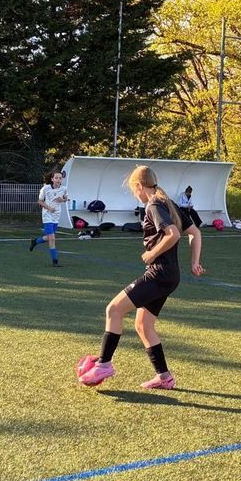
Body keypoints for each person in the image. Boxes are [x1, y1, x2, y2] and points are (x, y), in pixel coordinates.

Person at [77, 165, 193, 390]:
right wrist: (195, 261)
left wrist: (151, 253)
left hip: (159, 274)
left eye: (134, 190)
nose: (135, 195)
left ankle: (104, 364)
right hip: (169, 275)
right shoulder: (168, 202)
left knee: (114, 310)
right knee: (143, 325)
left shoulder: (154, 205)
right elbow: (195, 232)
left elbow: (174, 234)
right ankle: (164, 377)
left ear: (139, 186)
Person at [29, 171, 67, 267]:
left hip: (56, 216)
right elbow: (40, 201)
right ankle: (55, 261)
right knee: (52, 238)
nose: (58, 179)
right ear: (52, 179)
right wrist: (49, 208)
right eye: (56, 178)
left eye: (60, 178)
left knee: (48, 237)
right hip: (47, 215)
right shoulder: (46, 188)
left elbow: (65, 198)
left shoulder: (64, 189)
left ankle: (35, 241)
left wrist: (63, 200)